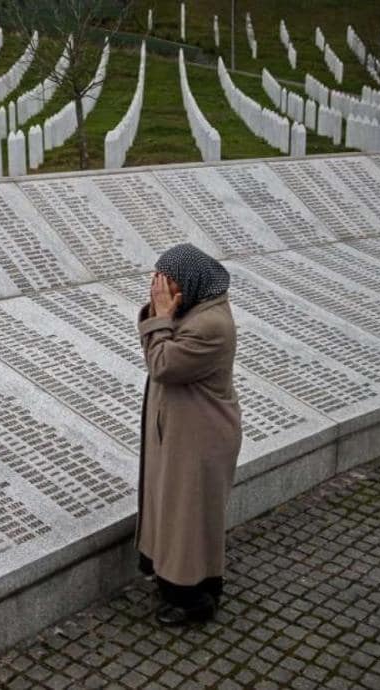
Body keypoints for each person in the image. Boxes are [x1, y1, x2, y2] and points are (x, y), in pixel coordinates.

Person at [135, 243, 242, 626]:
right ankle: (185, 583)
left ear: (193, 283)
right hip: (184, 432)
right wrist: (160, 314)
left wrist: (161, 316)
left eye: (169, 283)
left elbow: (161, 364)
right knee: (179, 513)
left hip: (201, 438)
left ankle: (193, 600)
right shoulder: (196, 308)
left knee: (189, 518)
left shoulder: (210, 326)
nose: (161, 290)